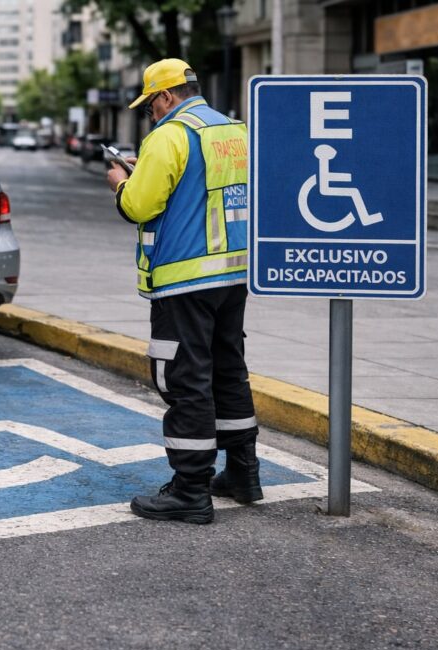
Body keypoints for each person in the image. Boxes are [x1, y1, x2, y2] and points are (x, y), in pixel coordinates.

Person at [105, 58, 261, 525]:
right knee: (228, 371)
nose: (150, 114)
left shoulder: (169, 136)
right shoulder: (233, 130)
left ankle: (190, 490)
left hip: (185, 278)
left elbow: (139, 205)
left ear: (165, 96)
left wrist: (120, 182)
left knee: (186, 380)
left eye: (150, 105)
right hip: (234, 276)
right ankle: (242, 474)